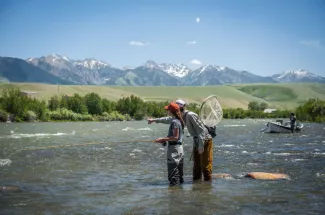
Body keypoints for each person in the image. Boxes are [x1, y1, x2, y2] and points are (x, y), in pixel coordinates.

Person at [149, 99, 213, 182]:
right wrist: (154, 120)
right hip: (196, 140)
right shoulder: (179, 116)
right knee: (197, 165)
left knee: (205, 165)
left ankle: (207, 187)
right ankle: (197, 186)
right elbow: (167, 119)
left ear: (179, 108)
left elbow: (200, 130)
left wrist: (201, 146)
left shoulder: (190, 115)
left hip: (205, 139)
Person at [155, 102, 185, 186]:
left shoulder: (174, 122)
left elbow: (175, 137)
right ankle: (180, 194)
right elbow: (176, 137)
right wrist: (165, 139)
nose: (167, 111)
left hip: (174, 150)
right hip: (180, 149)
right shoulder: (179, 121)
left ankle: (174, 195)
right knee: (180, 175)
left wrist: (162, 139)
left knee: (173, 175)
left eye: (168, 110)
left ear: (170, 111)